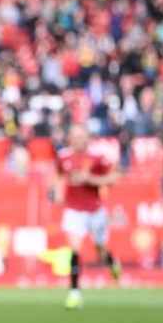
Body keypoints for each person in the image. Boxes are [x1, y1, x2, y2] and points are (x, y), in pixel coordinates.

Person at [54, 123, 121, 310]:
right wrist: (58, 192)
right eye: (74, 136)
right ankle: (74, 292)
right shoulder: (63, 156)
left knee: (100, 249)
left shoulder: (97, 157)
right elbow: (59, 175)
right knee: (75, 249)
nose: (77, 140)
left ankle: (111, 262)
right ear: (69, 138)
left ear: (87, 138)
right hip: (73, 209)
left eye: (81, 136)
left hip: (94, 209)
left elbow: (113, 178)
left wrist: (89, 179)